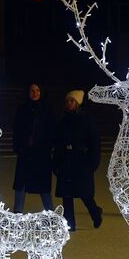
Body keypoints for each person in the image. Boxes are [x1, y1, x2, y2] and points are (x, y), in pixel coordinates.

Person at [52, 90, 102, 231]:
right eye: (67, 101)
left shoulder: (86, 119)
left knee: (85, 193)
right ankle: (70, 223)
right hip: (65, 161)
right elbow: (57, 142)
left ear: (77, 102)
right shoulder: (62, 120)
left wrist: (93, 162)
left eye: (72, 101)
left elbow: (94, 142)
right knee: (67, 195)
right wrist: (56, 162)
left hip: (81, 161)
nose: (69, 103)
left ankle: (95, 213)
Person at [12, 83, 54, 213]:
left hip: (41, 154)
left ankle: (50, 214)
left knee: (43, 187)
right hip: (26, 153)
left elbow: (51, 130)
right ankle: (17, 213)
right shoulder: (23, 109)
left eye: (37, 90)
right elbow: (17, 129)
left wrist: (46, 145)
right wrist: (20, 146)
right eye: (32, 90)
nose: (35, 93)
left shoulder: (47, 110)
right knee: (21, 185)